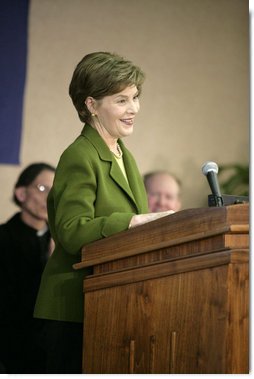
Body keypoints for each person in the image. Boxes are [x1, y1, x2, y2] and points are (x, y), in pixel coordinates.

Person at [33, 51, 175, 374]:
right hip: (73, 310)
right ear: (91, 105)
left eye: (135, 98)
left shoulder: (125, 155)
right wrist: (132, 222)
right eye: (121, 100)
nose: (134, 109)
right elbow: (70, 230)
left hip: (113, 303)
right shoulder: (79, 155)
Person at [0, 162, 55, 374]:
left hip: (49, 345)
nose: (50, 197)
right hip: (12, 345)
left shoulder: (61, 240)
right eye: (43, 189)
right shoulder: (4, 238)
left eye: (55, 191)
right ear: (21, 193)